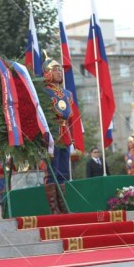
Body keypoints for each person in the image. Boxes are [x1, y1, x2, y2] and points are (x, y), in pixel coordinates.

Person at [42, 53, 76, 214]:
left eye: (59, 69)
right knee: (52, 172)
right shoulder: (44, 93)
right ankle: (54, 209)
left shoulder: (67, 94)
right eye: (55, 69)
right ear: (48, 73)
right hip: (52, 135)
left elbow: (71, 118)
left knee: (64, 172)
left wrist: (73, 138)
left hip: (65, 134)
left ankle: (63, 207)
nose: (59, 72)